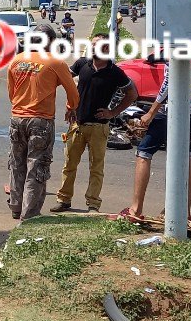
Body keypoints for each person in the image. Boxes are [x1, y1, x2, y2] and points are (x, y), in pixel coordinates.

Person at [51, 34, 138, 213]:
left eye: (96, 45)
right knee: (69, 165)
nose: (92, 48)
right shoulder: (82, 64)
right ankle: (64, 200)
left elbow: (132, 94)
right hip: (77, 124)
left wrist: (113, 112)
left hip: (99, 127)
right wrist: (70, 105)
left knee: (96, 168)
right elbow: (65, 81)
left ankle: (93, 204)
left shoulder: (115, 72)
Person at [118, 58, 191, 221]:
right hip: (190, 107)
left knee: (144, 151)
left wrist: (151, 112)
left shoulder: (180, 44)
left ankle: (135, 209)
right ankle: (183, 212)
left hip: (170, 108)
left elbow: (169, 82)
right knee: (185, 155)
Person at [6, 24, 79, 220]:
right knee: (36, 166)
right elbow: (73, 93)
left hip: (17, 118)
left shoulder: (17, 60)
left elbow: (11, 93)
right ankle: (29, 215)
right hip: (41, 121)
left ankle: (15, 206)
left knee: (17, 163)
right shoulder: (56, 62)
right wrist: (71, 107)